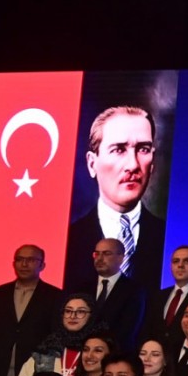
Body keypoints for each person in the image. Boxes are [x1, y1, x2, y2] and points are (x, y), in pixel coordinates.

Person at [64, 105, 165, 290]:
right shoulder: (68, 240)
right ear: (92, 163)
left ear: (152, 163)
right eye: (119, 150)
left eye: (143, 149)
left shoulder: (166, 236)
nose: (133, 165)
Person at [0, 243, 64, 376]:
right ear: (14, 264)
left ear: (42, 265)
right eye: (19, 259)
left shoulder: (55, 296)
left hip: (33, 374)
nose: (24, 264)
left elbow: (56, 336)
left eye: (31, 260)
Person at [80, 237, 146, 350]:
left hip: (116, 353)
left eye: (106, 254)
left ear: (121, 258)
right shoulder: (82, 288)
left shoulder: (134, 290)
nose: (99, 258)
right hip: (84, 351)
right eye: (97, 254)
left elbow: (128, 329)